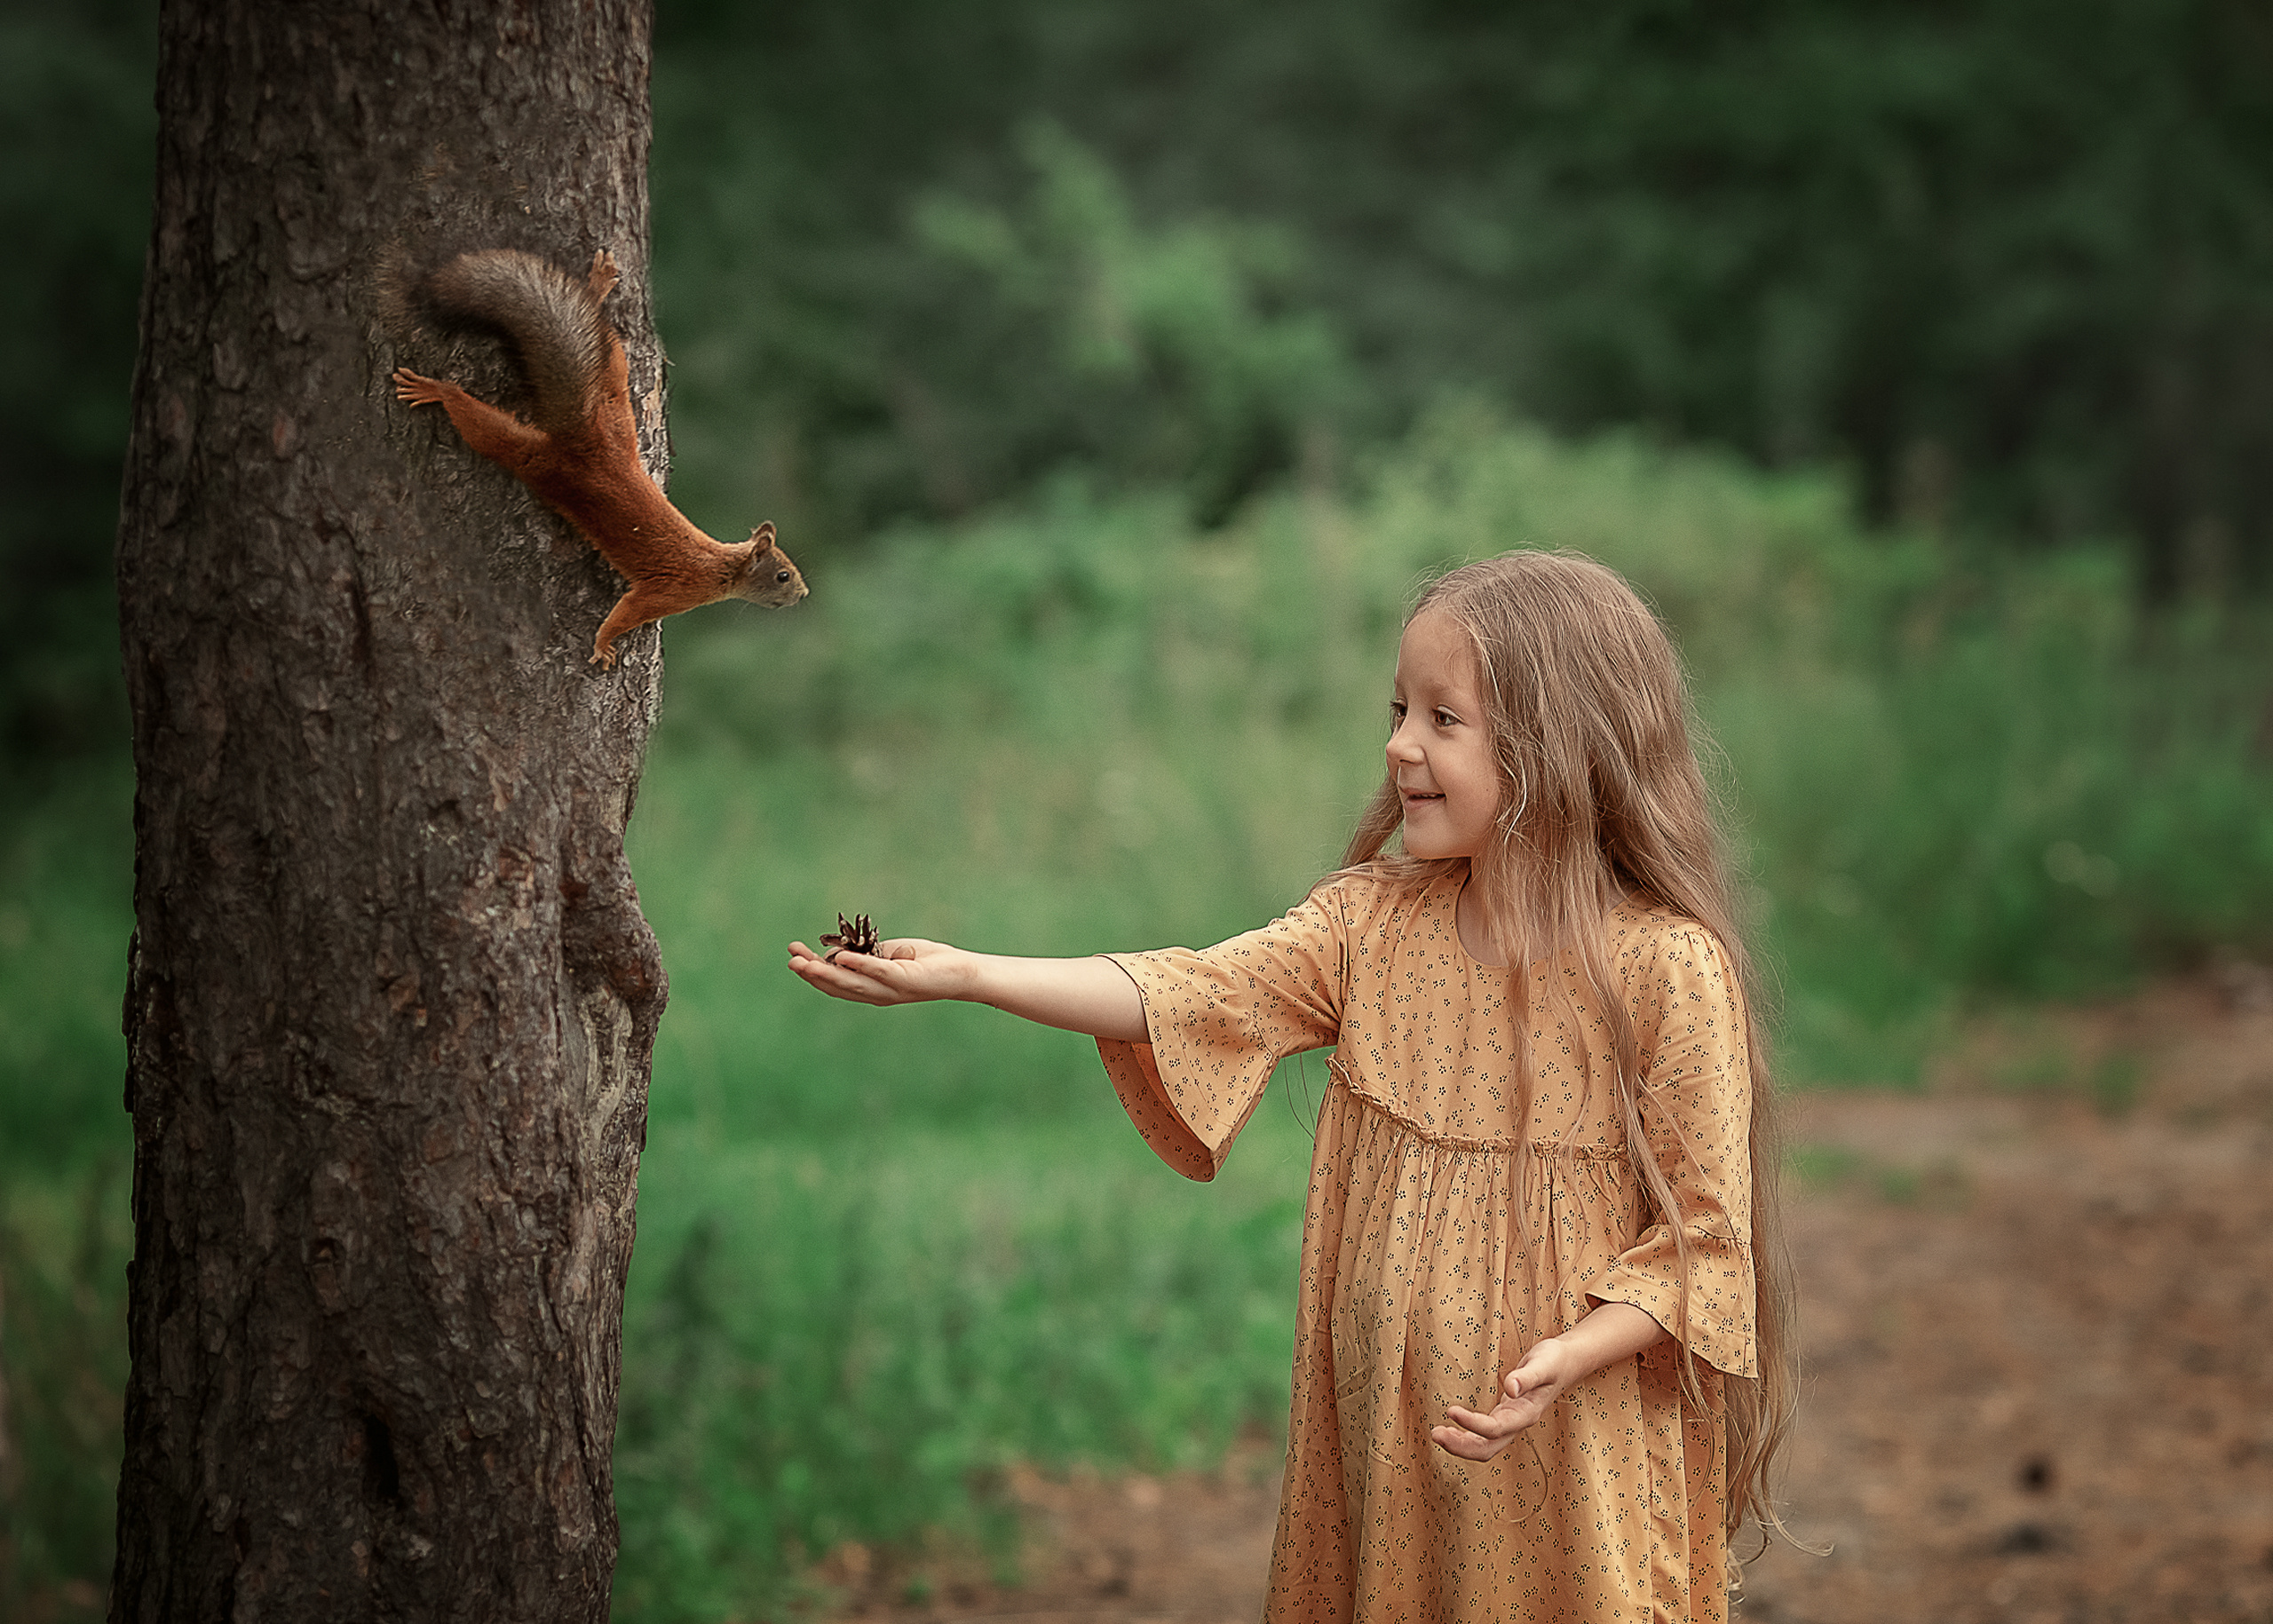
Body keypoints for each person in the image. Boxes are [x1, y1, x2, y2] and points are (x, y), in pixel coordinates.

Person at [788, 550, 1797, 1623]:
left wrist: (1570, 1351)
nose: (1399, 743)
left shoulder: (1663, 966)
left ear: (1558, 746)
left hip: (1574, 1451)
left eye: (1442, 718)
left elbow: (1704, 1239)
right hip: (1393, 1449)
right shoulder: (1370, 926)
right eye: (1399, 707)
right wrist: (973, 973)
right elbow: (1196, 989)